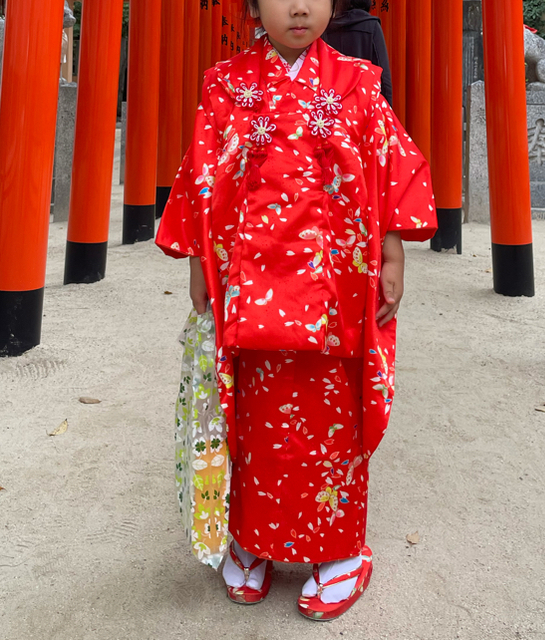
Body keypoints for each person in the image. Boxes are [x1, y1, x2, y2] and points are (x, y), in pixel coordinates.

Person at [156, 0, 436, 621]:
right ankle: (252, 541)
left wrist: (391, 252)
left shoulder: (356, 81)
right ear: (253, 6)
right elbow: (203, 177)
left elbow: (386, 166)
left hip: (335, 287)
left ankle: (338, 552)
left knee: (329, 417)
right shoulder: (227, 85)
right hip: (249, 291)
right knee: (253, 419)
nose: (301, 7)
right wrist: (201, 265)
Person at [322, 0, 393, 106]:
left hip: (330, 103)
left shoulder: (324, 28)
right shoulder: (371, 26)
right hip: (364, 105)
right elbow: (383, 75)